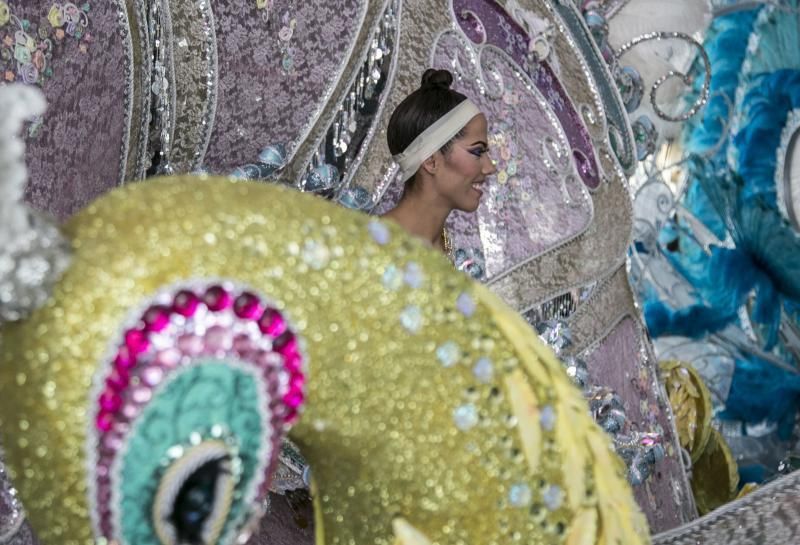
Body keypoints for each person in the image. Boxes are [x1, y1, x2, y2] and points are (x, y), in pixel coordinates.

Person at [382, 69, 496, 256]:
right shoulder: (375, 246)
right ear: (430, 161)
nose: (490, 168)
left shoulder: (445, 246)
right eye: (477, 151)